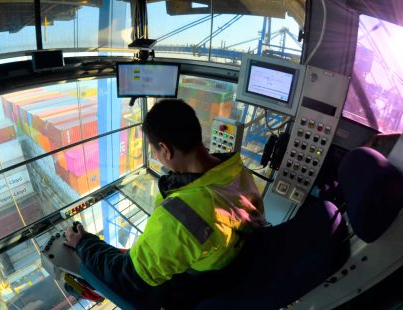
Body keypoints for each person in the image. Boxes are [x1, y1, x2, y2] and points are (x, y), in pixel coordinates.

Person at [64, 99, 267, 309]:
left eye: (154, 151)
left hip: (188, 291)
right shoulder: (236, 170)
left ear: (165, 149)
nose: (155, 157)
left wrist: (83, 242)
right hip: (228, 272)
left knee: (104, 267)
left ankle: (80, 280)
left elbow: (127, 276)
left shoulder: (180, 216)